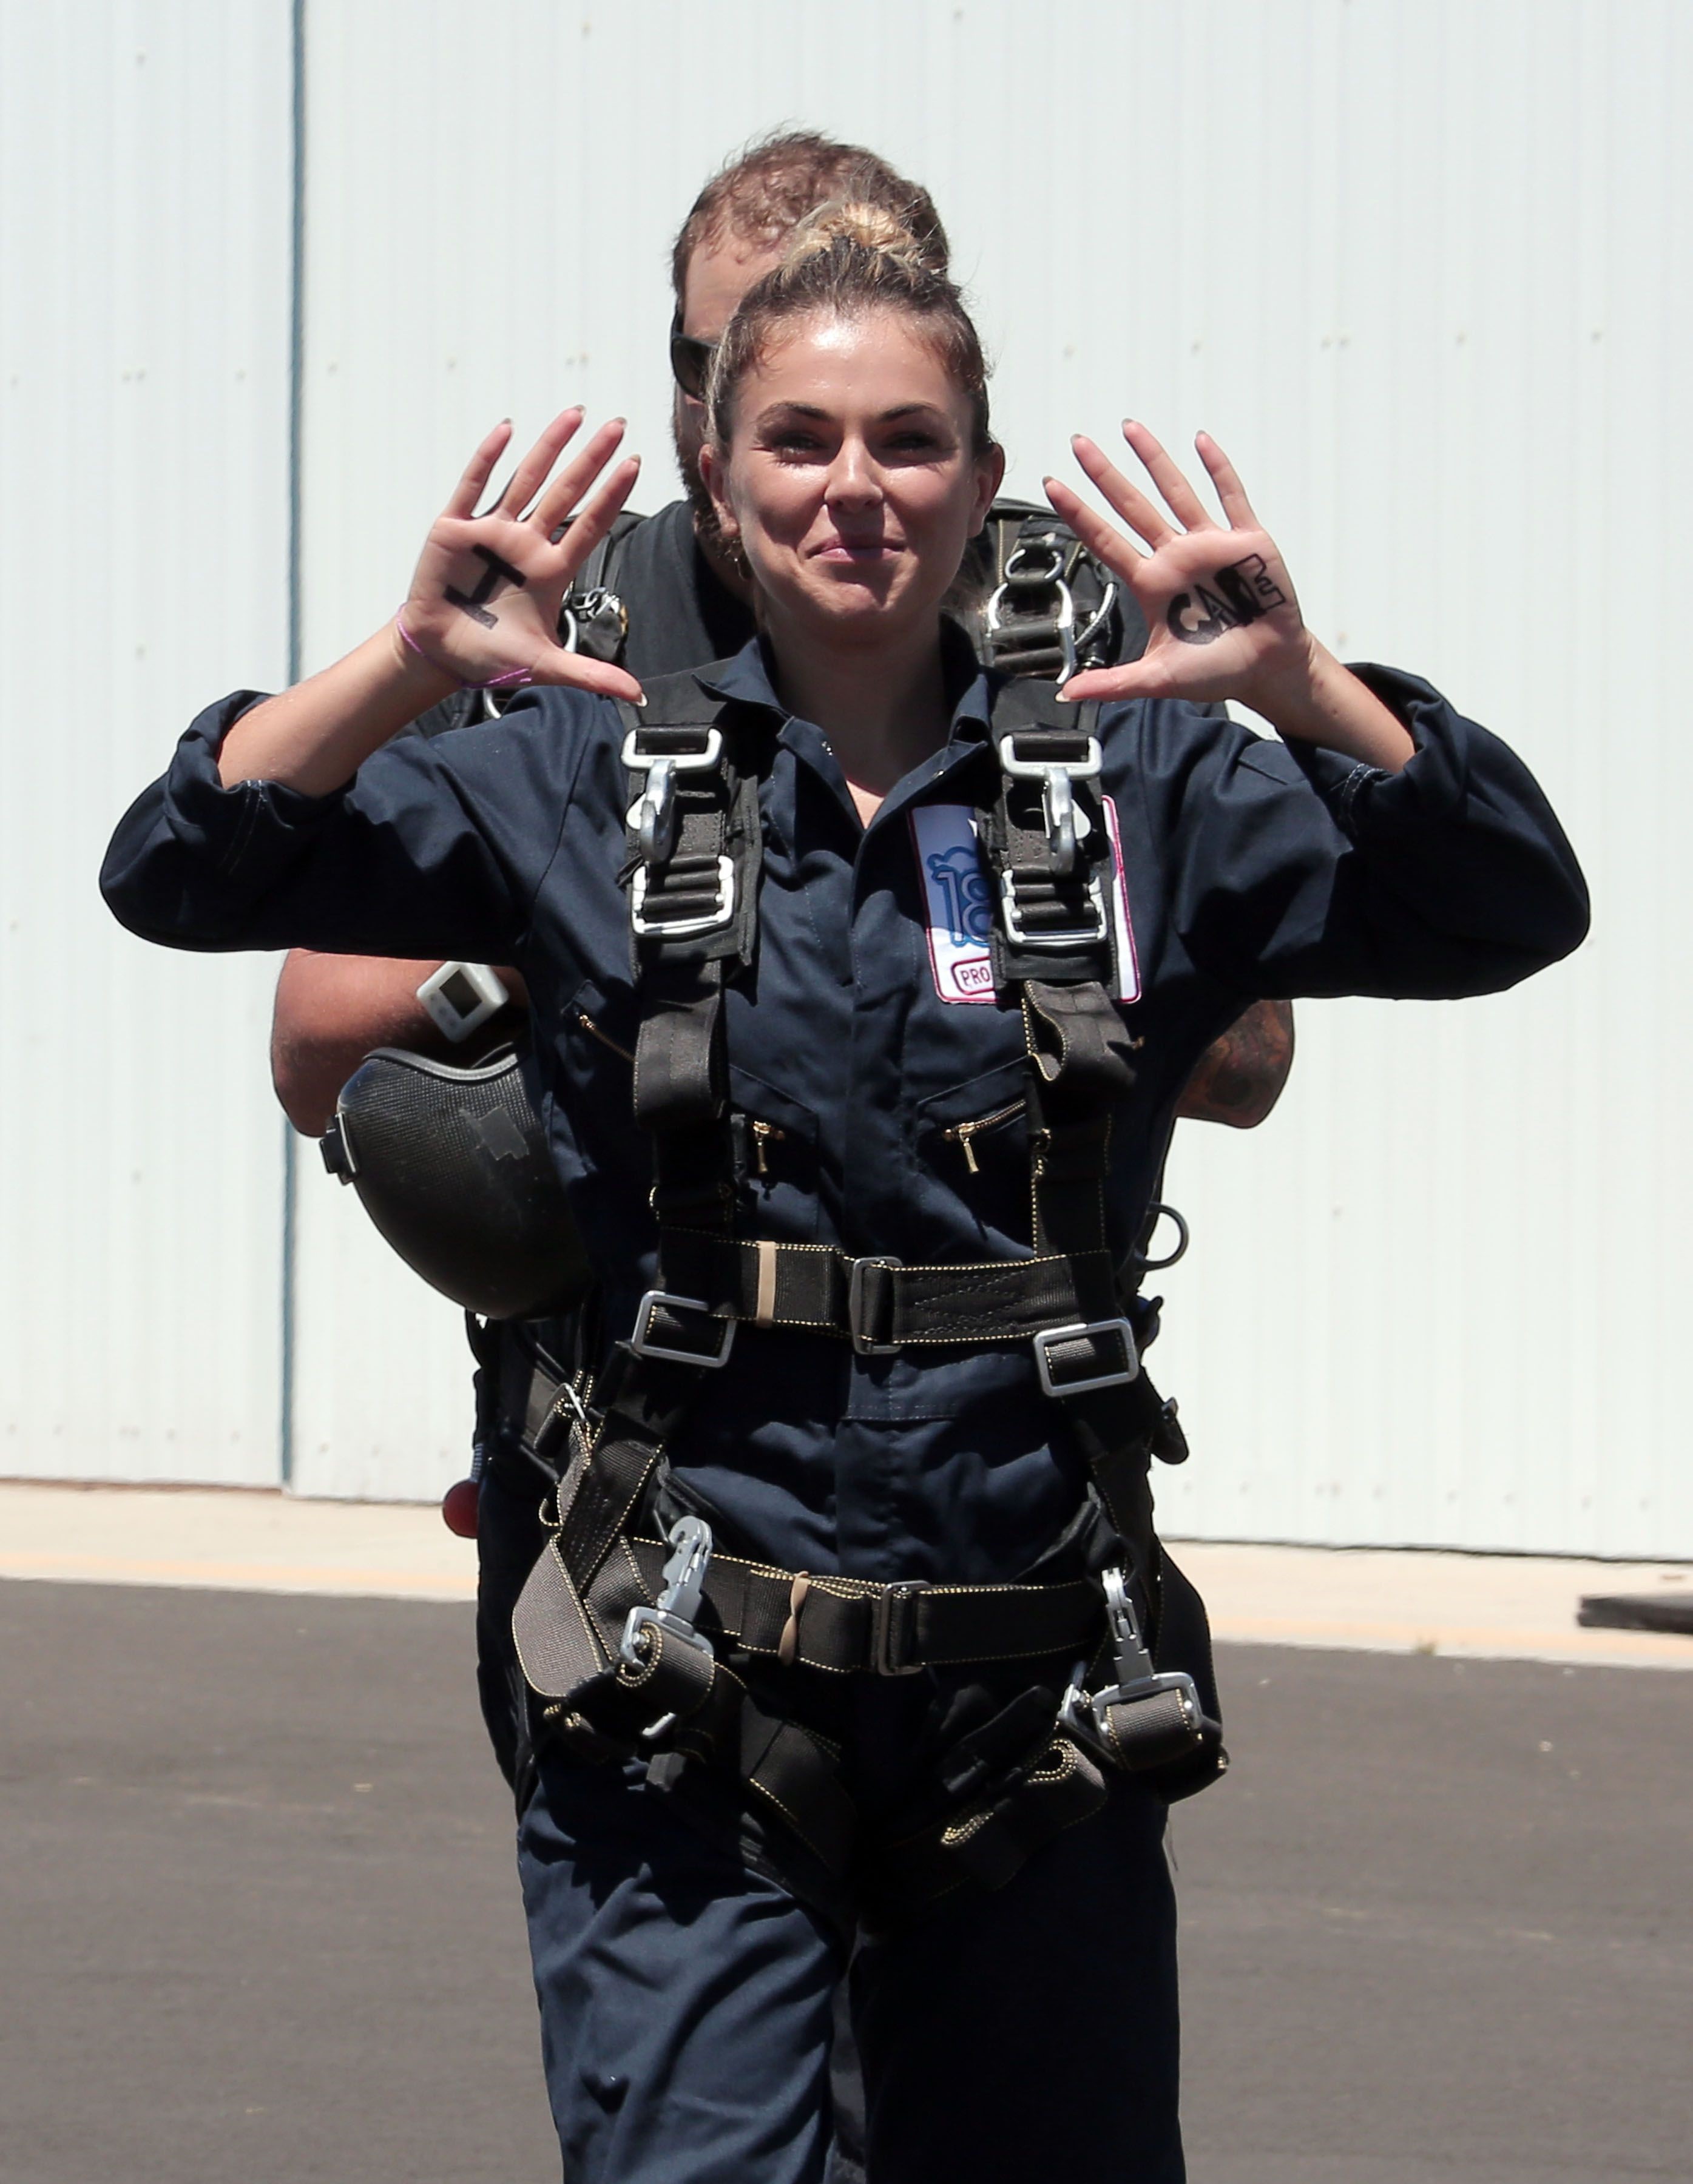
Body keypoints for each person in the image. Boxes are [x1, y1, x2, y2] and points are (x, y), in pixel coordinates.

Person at [101, 200, 1587, 2181]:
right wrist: (410, 660)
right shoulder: (569, 767)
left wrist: (1305, 689)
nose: (855, 491)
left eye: (908, 442)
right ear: (715, 476)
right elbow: (181, 872)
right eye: (798, 441)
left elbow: (1507, 904)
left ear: (984, 480)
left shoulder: (1144, 788)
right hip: (691, 1695)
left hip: (1032, 1693)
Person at [266, 130, 1291, 1802]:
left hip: (995, 1495)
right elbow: (318, 1038)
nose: (770, 425)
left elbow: (1248, 1063)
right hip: (642, 1484)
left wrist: (1035, 911)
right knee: (677, 2046)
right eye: (716, 363)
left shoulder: (1068, 636)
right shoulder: (571, 623)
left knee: (1010, 2049)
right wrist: (607, 932)